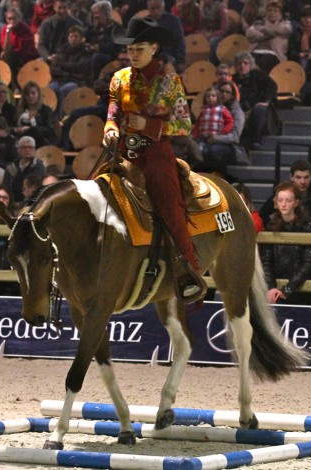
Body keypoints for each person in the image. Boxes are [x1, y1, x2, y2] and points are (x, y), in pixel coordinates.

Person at [103, 16, 205, 304]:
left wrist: (149, 126)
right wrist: (109, 129)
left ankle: (189, 272)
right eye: (130, 50)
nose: (132, 54)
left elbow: (185, 125)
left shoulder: (170, 82)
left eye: (139, 49)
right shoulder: (119, 78)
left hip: (157, 153)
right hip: (123, 150)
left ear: (154, 48)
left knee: (170, 206)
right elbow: (112, 113)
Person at [260, 182, 311, 305]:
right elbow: (266, 260)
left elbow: (308, 263)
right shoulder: (271, 224)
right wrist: (271, 287)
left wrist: (288, 288)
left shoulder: (307, 225)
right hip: (275, 288)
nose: (283, 204)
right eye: (280, 200)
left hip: (301, 289)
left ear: (296, 202)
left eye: (288, 200)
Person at [259, 158, 311, 232]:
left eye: (306, 177)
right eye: (298, 177)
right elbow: (262, 219)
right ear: (291, 177)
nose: (302, 181)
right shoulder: (276, 199)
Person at [231, 51, 277, 150]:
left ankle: (256, 140)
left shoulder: (258, 76)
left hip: (255, 109)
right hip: (238, 109)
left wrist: (266, 102)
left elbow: (272, 87)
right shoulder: (232, 80)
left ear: (250, 65)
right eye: (239, 63)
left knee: (259, 110)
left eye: (245, 63)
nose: (242, 66)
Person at [47, 24, 92, 117]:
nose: (73, 39)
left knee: (66, 89)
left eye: (76, 36)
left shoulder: (85, 51)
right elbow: (54, 68)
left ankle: (62, 117)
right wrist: (67, 71)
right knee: (51, 88)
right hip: (59, 80)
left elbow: (79, 67)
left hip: (75, 81)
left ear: (81, 38)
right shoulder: (62, 49)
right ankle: (49, 117)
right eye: (71, 36)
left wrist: (63, 66)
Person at [191, 85, 234, 176]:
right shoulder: (203, 110)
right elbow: (198, 124)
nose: (210, 98)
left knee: (211, 151)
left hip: (216, 137)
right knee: (199, 150)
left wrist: (223, 131)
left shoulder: (222, 109)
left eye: (213, 96)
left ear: (217, 98)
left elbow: (229, 121)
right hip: (203, 137)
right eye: (208, 96)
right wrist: (195, 134)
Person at [245, 0, 291, 74]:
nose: (272, 12)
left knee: (263, 63)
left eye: (275, 11)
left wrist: (262, 29)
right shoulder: (260, 22)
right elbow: (249, 34)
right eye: (269, 10)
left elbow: (284, 30)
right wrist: (271, 34)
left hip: (273, 54)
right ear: (266, 13)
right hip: (255, 52)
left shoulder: (285, 23)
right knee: (244, 60)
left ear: (280, 13)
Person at [145, 0, 186, 73]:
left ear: (163, 7)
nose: (156, 11)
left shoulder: (173, 21)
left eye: (158, 8)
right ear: (148, 9)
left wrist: (181, 61)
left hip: (169, 56)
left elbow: (180, 42)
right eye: (152, 9)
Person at [14, 80, 58, 147]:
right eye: (27, 94)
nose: (30, 96)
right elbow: (11, 127)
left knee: (33, 131)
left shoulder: (46, 110)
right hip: (22, 139)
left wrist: (29, 129)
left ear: (38, 94)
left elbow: (49, 129)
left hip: (42, 140)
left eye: (33, 93)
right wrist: (17, 129)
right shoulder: (20, 109)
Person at [2, 135, 45, 201]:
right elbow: (6, 186)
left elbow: (36, 191)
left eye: (30, 147)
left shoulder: (38, 167)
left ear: (34, 149)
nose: (27, 150)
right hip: (12, 201)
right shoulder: (11, 167)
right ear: (18, 150)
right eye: (24, 147)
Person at [0, 6, 40, 76]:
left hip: (26, 56)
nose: (12, 21)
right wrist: (8, 33)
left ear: (19, 18)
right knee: (6, 56)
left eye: (14, 18)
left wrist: (8, 52)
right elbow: (4, 47)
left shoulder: (25, 29)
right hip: (11, 56)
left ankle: (14, 82)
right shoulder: (5, 29)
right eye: (9, 19)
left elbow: (23, 49)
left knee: (9, 57)